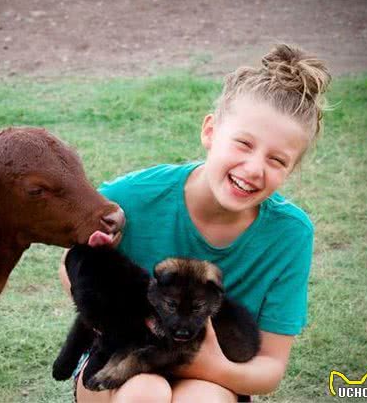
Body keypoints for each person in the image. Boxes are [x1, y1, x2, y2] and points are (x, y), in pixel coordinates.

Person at [58, 43, 331, 403]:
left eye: (277, 160)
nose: (253, 169)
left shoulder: (290, 235)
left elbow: (269, 369)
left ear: (290, 169)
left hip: (216, 376)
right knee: (145, 391)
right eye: (244, 144)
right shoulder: (131, 198)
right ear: (210, 131)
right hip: (118, 363)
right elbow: (72, 265)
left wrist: (204, 364)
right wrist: (114, 319)